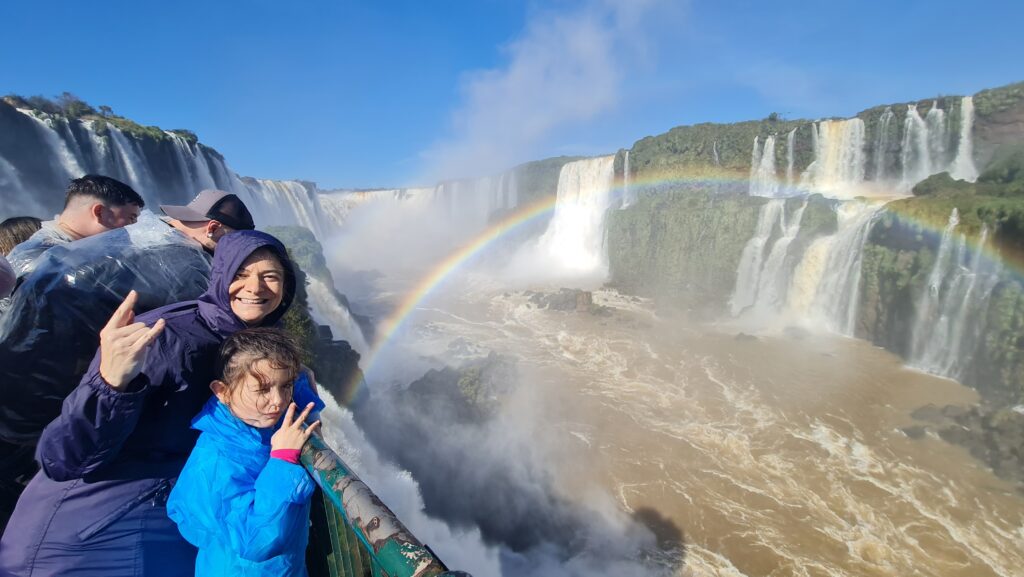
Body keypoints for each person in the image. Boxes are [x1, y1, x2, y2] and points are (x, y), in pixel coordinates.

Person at [0, 231, 323, 577]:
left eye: (270, 276)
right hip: (90, 532)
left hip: (163, 527)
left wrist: (299, 380)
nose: (255, 287)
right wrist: (109, 384)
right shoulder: (166, 336)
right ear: (221, 274)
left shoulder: (253, 343)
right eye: (240, 274)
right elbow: (62, 457)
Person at [168, 328, 320, 576]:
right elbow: (256, 541)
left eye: (287, 386)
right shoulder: (217, 462)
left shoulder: (255, 422)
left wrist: (304, 378)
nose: (278, 401)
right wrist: (283, 459)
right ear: (223, 392)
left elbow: (285, 381)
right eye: (262, 389)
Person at [6, 175, 144, 276]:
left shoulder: (69, 250)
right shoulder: (38, 255)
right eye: (131, 218)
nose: (133, 227)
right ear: (99, 212)